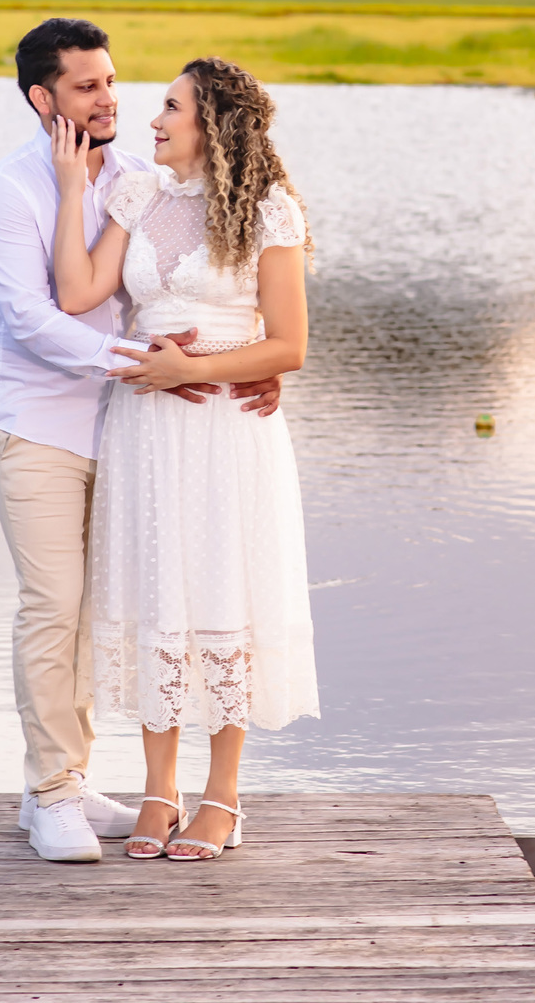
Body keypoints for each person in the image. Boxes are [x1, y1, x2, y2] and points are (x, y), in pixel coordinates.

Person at [0, 19, 282, 863]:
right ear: (44, 99)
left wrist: (236, 363)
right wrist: (160, 366)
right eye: (86, 87)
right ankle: (53, 793)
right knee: (54, 607)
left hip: (139, 431)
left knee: (127, 605)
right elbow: (40, 317)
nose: (111, 100)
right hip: (40, 425)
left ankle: (103, 783)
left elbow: (215, 291)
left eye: (112, 83)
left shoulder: (148, 178)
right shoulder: (9, 192)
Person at [51, 56, 319, 863]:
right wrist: (72, 191)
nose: (152, 120)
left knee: (222, 587)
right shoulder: (137, 195)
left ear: (215, 125)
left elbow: (290, 344)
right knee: (153, 584)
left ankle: (223, 797)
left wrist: (190, 370)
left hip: (227, 431)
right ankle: (158, 789)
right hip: (143, 432)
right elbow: (77, 294)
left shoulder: (270, 212)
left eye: (170, 108)